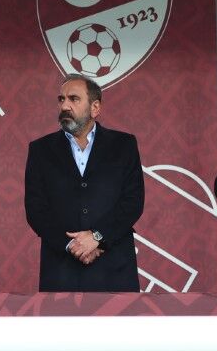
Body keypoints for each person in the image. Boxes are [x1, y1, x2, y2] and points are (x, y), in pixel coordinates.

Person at [25, 73, 144, 292]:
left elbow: (133, 202)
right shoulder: (40, 150)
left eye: (74, 99)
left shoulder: (124, 145)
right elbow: (36, 209)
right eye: (61, 99)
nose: (65, 106)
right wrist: (71, 245)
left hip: (115, 270)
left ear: (95, 107)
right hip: (60, 272)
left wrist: (97, 237)